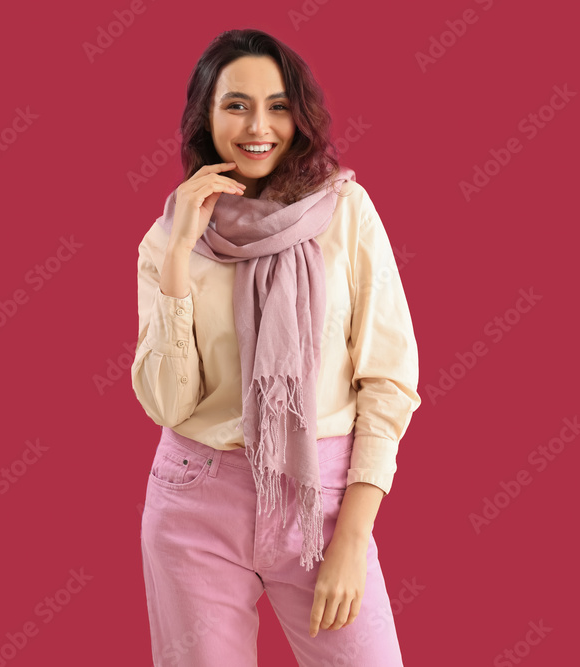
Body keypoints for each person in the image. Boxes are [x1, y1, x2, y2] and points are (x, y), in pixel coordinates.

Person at [131, 28, 421, 666]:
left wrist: (352, 536)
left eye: (278, 105)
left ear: (301, 114)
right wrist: (180, 249)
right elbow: (168, 402)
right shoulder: (168, 238)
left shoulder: (346, 212)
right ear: (205, 116)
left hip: (323, 499)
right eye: (235, 104)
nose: (258, 125)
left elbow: (389, 380)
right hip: (195, 498)